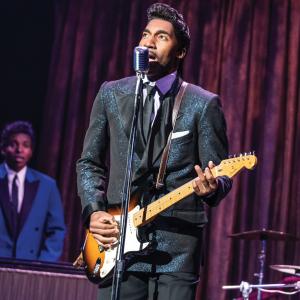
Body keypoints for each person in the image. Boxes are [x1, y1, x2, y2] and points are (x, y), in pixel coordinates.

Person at [77, 3, 232, 299]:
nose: (148, 42)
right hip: (118, 246)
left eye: (161, 37)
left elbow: (221, 174)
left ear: (180, 51)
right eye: (145, 34)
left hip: (177, 251)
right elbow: (89, 163)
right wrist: (94, 212)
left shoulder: (203, 103)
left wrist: (212, 187)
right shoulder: (111, 93)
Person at [0, 121, 65, 261]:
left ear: (31, 151)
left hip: (30, 268)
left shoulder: (47, 186)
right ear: (3, 148)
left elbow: (57, 230)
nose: (19, 150)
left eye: (26, 145)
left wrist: (44, 263)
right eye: (13, 144)